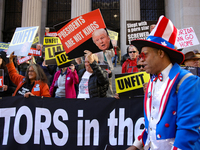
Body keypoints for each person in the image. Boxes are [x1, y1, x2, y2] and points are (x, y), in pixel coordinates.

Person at [127, 15, 200, 150]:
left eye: (145, 54)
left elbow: (187, 132)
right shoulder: (151, 81)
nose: (140, 60)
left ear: (161, 53)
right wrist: (136, 146)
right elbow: (152, 125)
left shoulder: (187, 81)